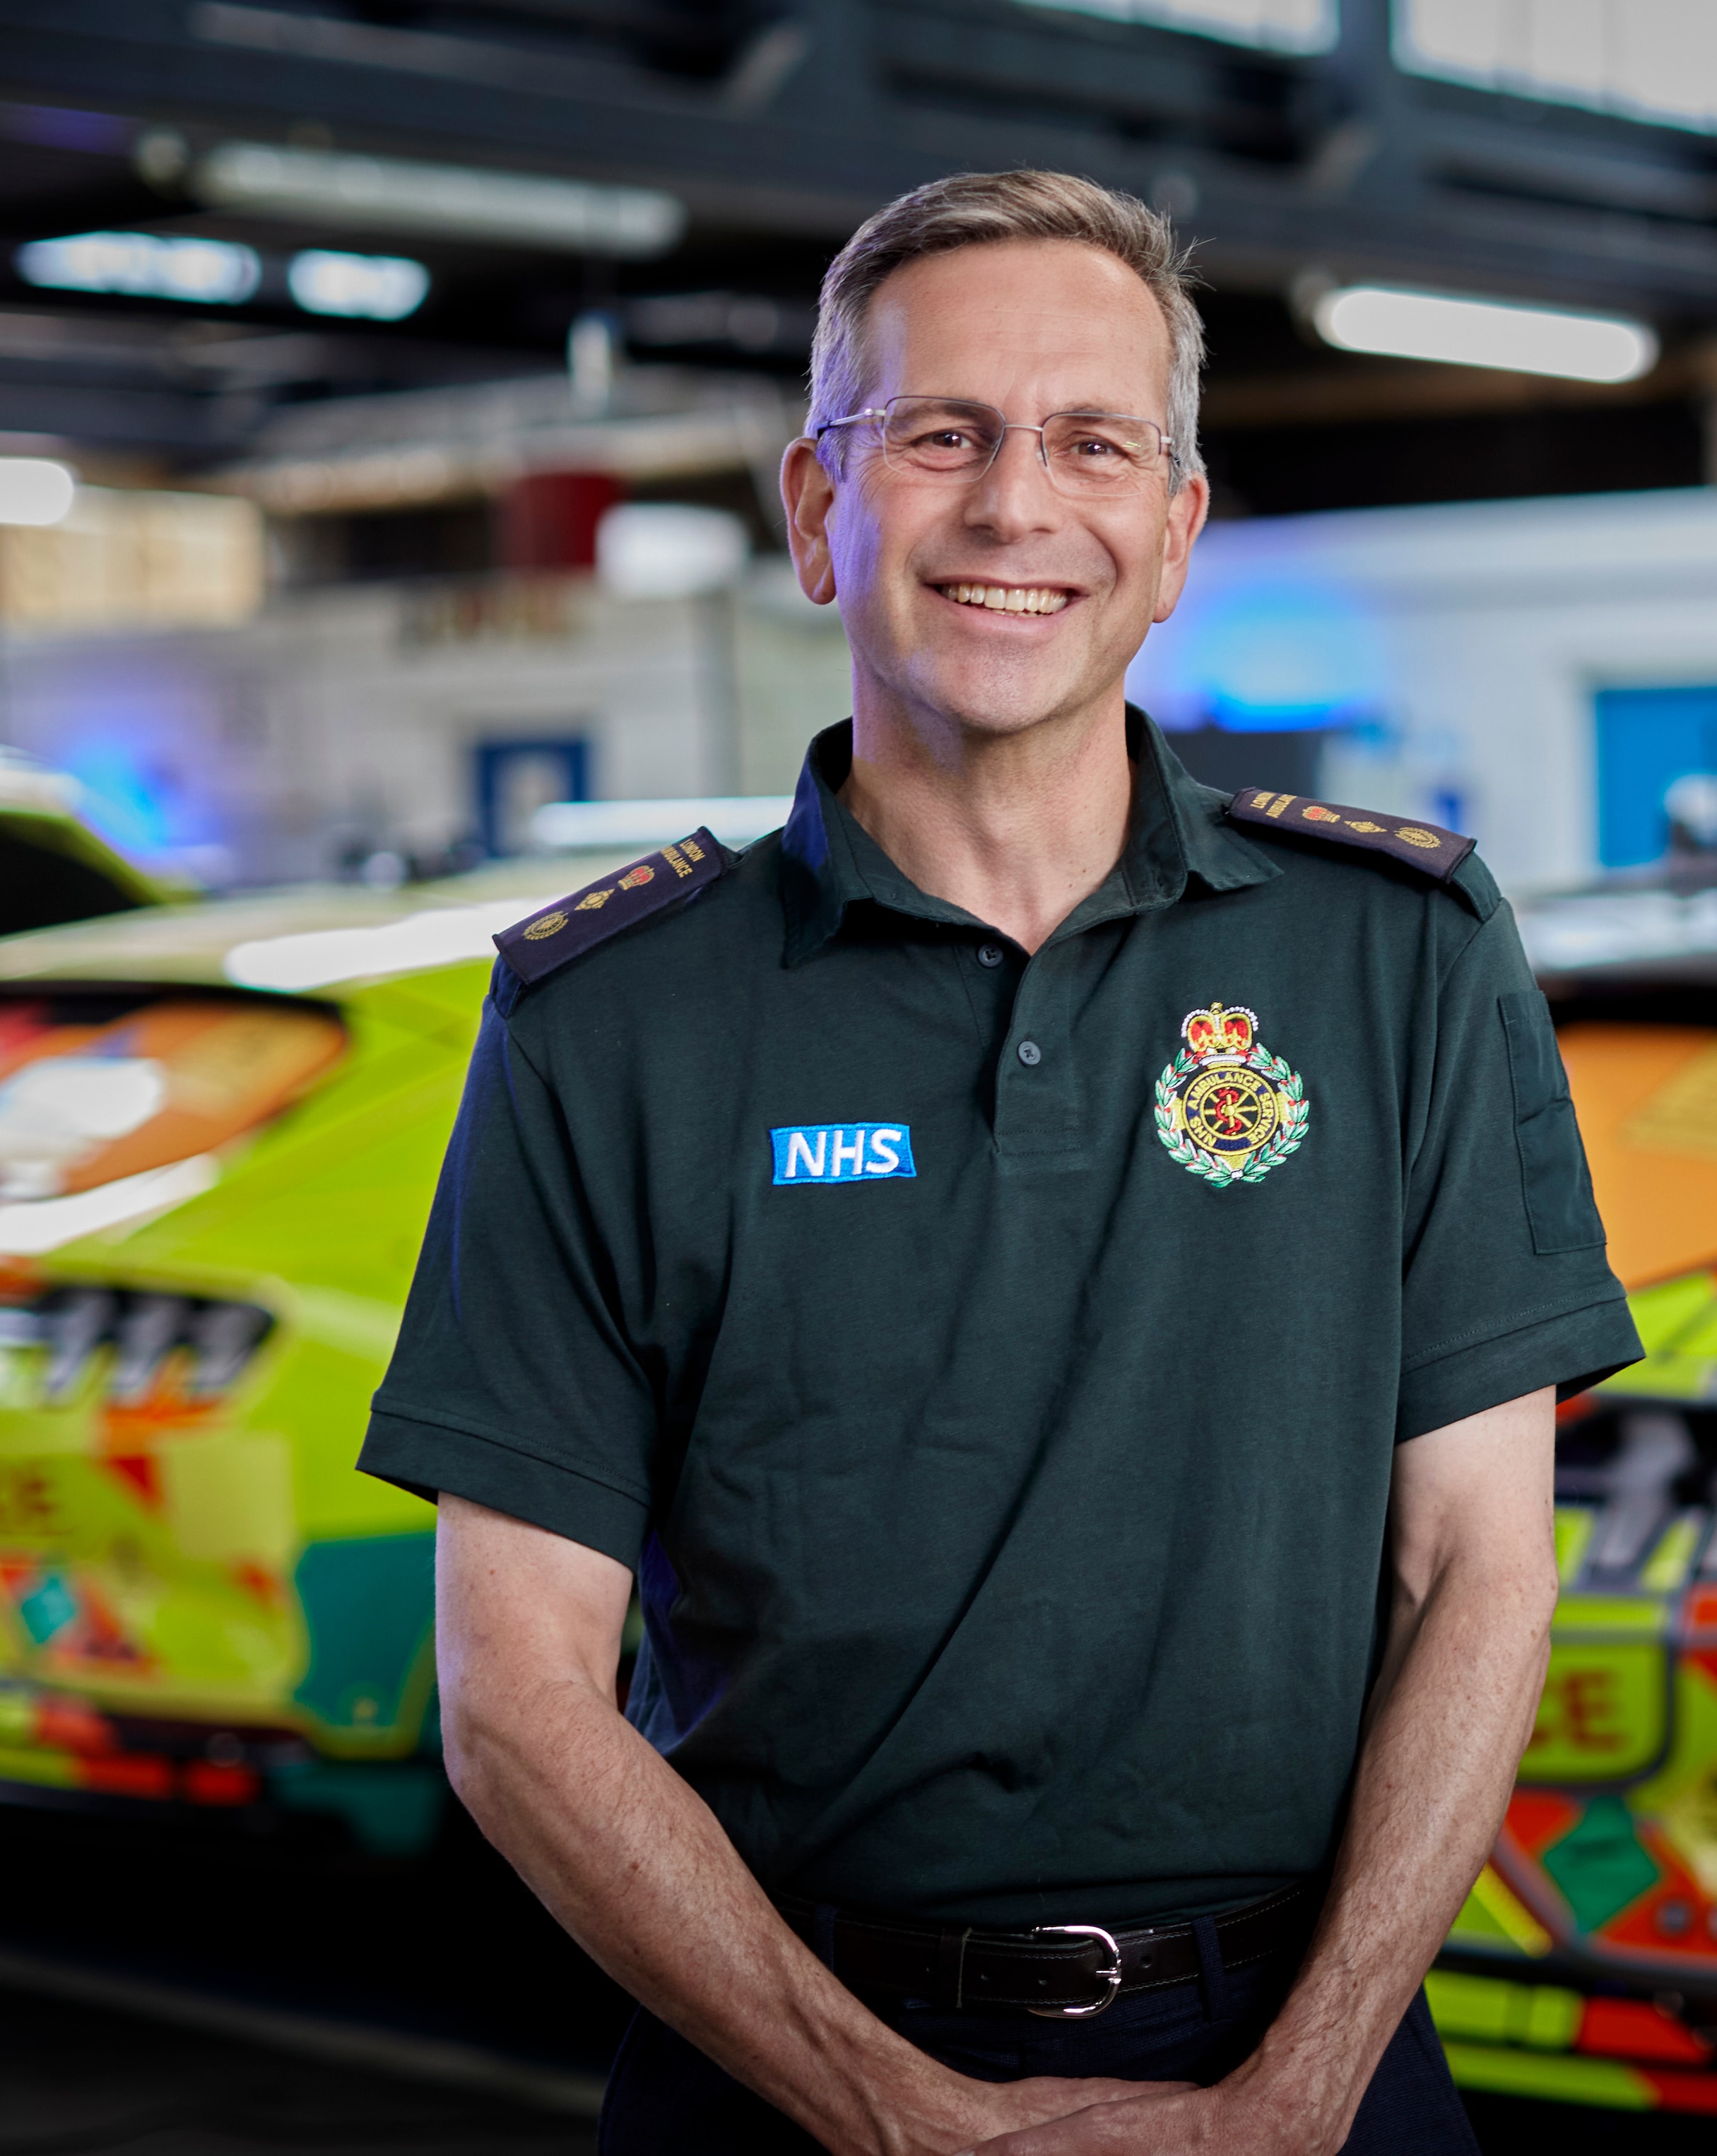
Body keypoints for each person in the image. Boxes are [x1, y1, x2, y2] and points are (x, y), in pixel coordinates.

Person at [358, 169, 1641, 2155]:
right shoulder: (611, 1022)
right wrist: (891, 2117)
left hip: (1309, 2049)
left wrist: (1299, 2098)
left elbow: (1478, 1569)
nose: (1016, 506)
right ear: (818, 512)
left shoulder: (1398, 953)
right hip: (778, 2055)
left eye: (1093, 443)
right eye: (940, 435)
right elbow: (512, 1698)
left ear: (1175, 535)